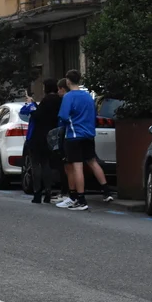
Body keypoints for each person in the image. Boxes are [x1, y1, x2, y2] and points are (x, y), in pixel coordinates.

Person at [56, 70, 113, 210]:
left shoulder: (68, 96)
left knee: (77, 166)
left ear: (68, 81)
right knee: (92, 161)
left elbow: (63, 116)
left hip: (74, 134)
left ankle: (80, 199)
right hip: (89, 134)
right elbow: (93, 113)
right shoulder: (87, 96)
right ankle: (106, 191)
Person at [23, 78, 63, 204]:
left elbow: (37, 115)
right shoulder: (59, 100)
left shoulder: (47, 100)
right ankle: (48, 191)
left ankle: (37, 193)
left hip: (38, 135)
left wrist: (31, 105)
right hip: (51, 135)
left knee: (35, 164)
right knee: (46, 164)